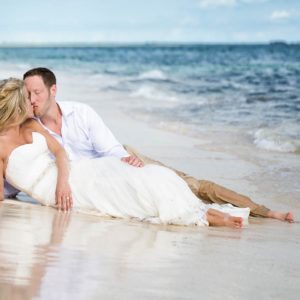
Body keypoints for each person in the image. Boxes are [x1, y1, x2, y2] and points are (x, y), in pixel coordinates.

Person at [16, 67, 294, 223]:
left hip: (124, 160)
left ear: (54, 90)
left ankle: (267, 212)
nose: (32, 100)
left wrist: (129, 163)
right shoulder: (31, 128)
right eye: (27, 95)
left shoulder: (81, 113)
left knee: (192, 186)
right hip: (99, 184)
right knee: (167, 203)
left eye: (37, 93)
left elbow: (111, 150)